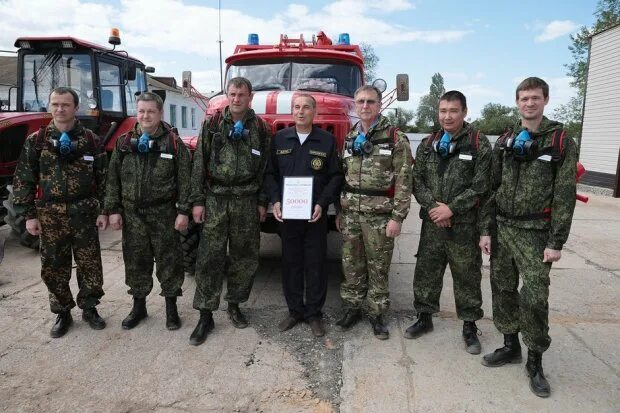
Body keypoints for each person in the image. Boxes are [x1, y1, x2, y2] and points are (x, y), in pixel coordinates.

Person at [479, 77, 577, 398]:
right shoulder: (505, 140)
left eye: (535, 98)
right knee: (503, 289)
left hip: (537, 233)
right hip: (503, 228)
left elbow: (564, 195)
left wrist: (556, 241)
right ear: (517, 102)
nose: (529, 103)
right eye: (524, 98)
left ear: (545, 100)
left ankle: (534, 360)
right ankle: (510, 345)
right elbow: (491, 189)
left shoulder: (560, 140)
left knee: (535, 297)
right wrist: (486, 229)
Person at [12, 87, 108, 338]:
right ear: (49, 106)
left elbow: (104, 177)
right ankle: (62, 311)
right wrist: (29, 215)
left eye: (65, 104)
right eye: (55, 104)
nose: (60, 109)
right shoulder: (38, 140)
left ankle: (90, 307)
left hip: (84, 211)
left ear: (76, 108)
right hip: (50, 213)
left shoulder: (90, 139)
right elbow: (24, 179)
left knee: (89, 263)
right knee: (54, 265)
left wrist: (104, 210)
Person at [403, 91, 491, 355]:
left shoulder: (478, 143)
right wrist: (434, 209)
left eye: (453, 111)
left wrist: (451, 209)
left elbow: (481, 185)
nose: (447, 116)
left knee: (467, 275)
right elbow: (417, 180)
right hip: (433, 224)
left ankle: (469, 325)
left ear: (464, 112)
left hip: (464, 226)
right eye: (443, 111)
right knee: (427, 271)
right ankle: (424, 317)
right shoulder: (429, 143)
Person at [188, 77, 271, 346]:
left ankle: (235, 304)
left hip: (246, 200)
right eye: (232, 94)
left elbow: (266, 169)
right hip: (216, 199)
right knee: (209, 257)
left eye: (242, 94)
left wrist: (262, 202)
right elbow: (199, 163)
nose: (236, 99)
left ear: (250, 97)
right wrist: (197, 201)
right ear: (227, 95)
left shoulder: (260, 128)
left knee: (244, 256)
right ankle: (205, 313)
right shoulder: (212, 125)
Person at [105, 92, 191, 331]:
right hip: (132, 214)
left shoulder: (173, 143)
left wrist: (183, 211)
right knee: (135, 261)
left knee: (169, 262)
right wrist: (113, 209)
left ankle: (171, 309)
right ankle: (139, 306)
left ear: (160, 113)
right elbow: (112, 179)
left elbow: (185, 181)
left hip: (164, 214)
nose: (145, 116)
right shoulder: (123, 143)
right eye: (141, 111)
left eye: (150, 111)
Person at [335, 85, 413, 340]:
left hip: (380, 216)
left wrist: (397, 217)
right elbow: (342, 175)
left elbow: (404, 180)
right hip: (351, 214)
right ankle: (352, 308)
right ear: (355, 106)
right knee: (351, 264)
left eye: (370, 101)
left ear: (379, 105)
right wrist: (339, 210)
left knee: (378, 266)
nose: (365, 106)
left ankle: (377, 314)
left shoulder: (394, 137)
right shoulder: (349, 137)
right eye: (360, 101)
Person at [264, 94, 343, 337]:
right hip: (287, 216)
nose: (301, 112)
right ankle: (295, 311)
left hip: (314, 215)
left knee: (316, 263)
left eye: (306, 107)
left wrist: (322, 203)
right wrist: (275, 200)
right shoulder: (279, 139)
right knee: (291, 263)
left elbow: (336, 176)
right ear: (292, 111)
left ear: (314, 112)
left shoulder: (327, 141)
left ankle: (314, 314)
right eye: (296, 107)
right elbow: (269, 174)